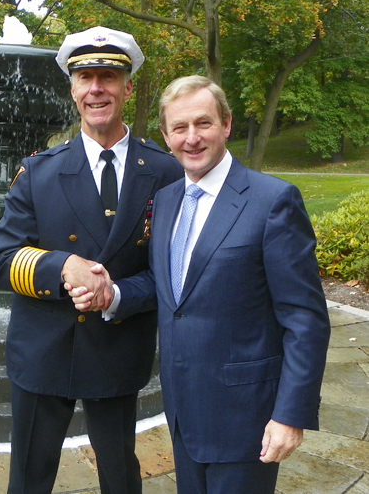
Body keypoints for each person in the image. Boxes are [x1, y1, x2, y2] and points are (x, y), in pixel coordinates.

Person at [66, 75, 331, 494]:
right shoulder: (168, 199)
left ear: (226, 124)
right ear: (166, 136)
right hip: (184, 411)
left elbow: (305, 320)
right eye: (179, 128)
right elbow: (168, 285)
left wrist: (290, 415)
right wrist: (112, 294)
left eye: (203, 124)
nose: (191, 138)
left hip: (247, 420)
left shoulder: (273, 202)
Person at [0, 26, 183, 494]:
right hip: (42, 350)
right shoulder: (39, 171)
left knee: (120, 475)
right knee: (29, 479)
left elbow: (176, 273)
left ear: (128, 86)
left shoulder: (165, 170)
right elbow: (1, 261)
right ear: (73, 89)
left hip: (117, 349)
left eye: (108, 76)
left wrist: (115, 293)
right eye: (85, 77)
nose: (97, 88)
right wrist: (63, 268)